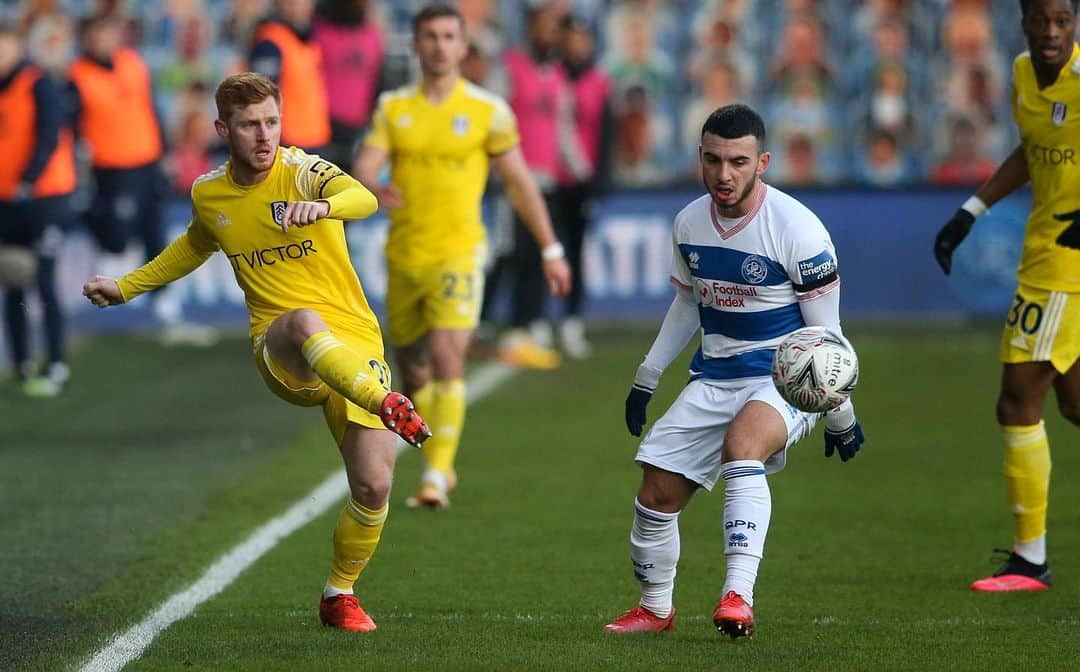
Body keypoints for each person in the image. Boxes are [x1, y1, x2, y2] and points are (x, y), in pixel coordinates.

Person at [82, 72, 431, 633]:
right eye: (249, 125)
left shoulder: (305, 171)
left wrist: (324, 209)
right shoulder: (210, 192)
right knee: (301, 320)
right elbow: (194, 245)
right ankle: (386, 398)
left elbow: (362, 196)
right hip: (282, 346)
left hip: (354, 338)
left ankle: (338, 594)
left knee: (374, 485)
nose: (264, 136)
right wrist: (126, 287)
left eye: (271, 122)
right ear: (223, 129)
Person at [604, 104, 866, 638]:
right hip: (714, 376)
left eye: (739, 162)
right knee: (655, 495)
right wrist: (646, 377)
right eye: (714, 160)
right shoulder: (688, 222)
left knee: (743, 447)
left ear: (762, 162)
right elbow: (687, 307)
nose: (725, 175)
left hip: (783, 380)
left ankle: (736, 597)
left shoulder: (799, 229)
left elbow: (826, 341)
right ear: (700, 158)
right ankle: (656, 610)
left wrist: (840, 414)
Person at [353, 3, 571, 510]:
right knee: (412, 369)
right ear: (416, 43)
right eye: (429, 36)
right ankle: (436, 459)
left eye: (449, 36)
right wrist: (371, 183)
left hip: (460, 253)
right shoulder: (394, 108)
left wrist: (551, 248)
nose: (439, 45)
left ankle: (437, 473)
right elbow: (365, 163)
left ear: (463, 46)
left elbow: (518, 182)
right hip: (405, 256)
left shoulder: (487, 110)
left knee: (449, 356)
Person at [933, 0, 1080, 593]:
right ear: (1022, 22)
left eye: (1063, 22)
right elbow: (1031, 151)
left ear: (1075, 23)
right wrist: (972, 210)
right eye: (1041, 21)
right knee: (1072, 404)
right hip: (1043, 252)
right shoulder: (1023, 74)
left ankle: (1029, 560)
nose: (1051, 33)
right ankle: (1031, 559)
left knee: (1017, 397)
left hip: (1065, 268)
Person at [69, 12, 213, 345]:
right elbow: (71, 127)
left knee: (155, 236)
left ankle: (167, 309)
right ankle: (82, 213)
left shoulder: (132, 63)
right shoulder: (78, 77)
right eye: (96, 34)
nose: (103, 41)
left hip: (146, 163)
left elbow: (150, 109)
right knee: (117, 238)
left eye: (107, 32)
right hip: (112, 169)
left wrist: (164, 151)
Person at [0, 23, 75, 397]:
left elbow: (49, 136)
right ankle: (20, 363)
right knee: (12, 279)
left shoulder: (38, 83)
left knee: (43, 280)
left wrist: (28, 180)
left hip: (44, 198)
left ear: (16, 45)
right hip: (7, 201)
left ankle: (57, 362)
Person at [554, 14, 613, 359]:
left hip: (581, 179)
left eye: (581, 38)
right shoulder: (553, 76)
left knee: (575, 252)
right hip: (550, 176)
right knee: (541, 251)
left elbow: (606, 136)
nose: (576, 45)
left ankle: (571, 320)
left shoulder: (598, 82)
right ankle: (537, 320)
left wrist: (598, 184)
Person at [249, 0, 331, 154]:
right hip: (288, 143)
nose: (299, 6)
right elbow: (261, 97)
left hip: (315, 139)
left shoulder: (307, 38)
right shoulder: (270, 42)